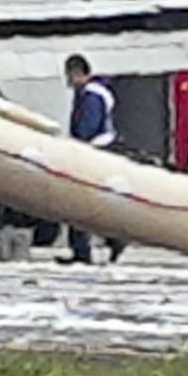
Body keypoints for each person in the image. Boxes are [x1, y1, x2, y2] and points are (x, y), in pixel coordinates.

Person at [57, 56, 124, 265]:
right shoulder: (93, 93)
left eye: (69, 74)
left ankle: (86, 248)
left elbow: (87, 127)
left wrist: (77, 146)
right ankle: (106, 241)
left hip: (93, 152)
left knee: (79, 202)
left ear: (77, 73)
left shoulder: (90, 96)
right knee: (92, 202)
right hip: (98, 150)